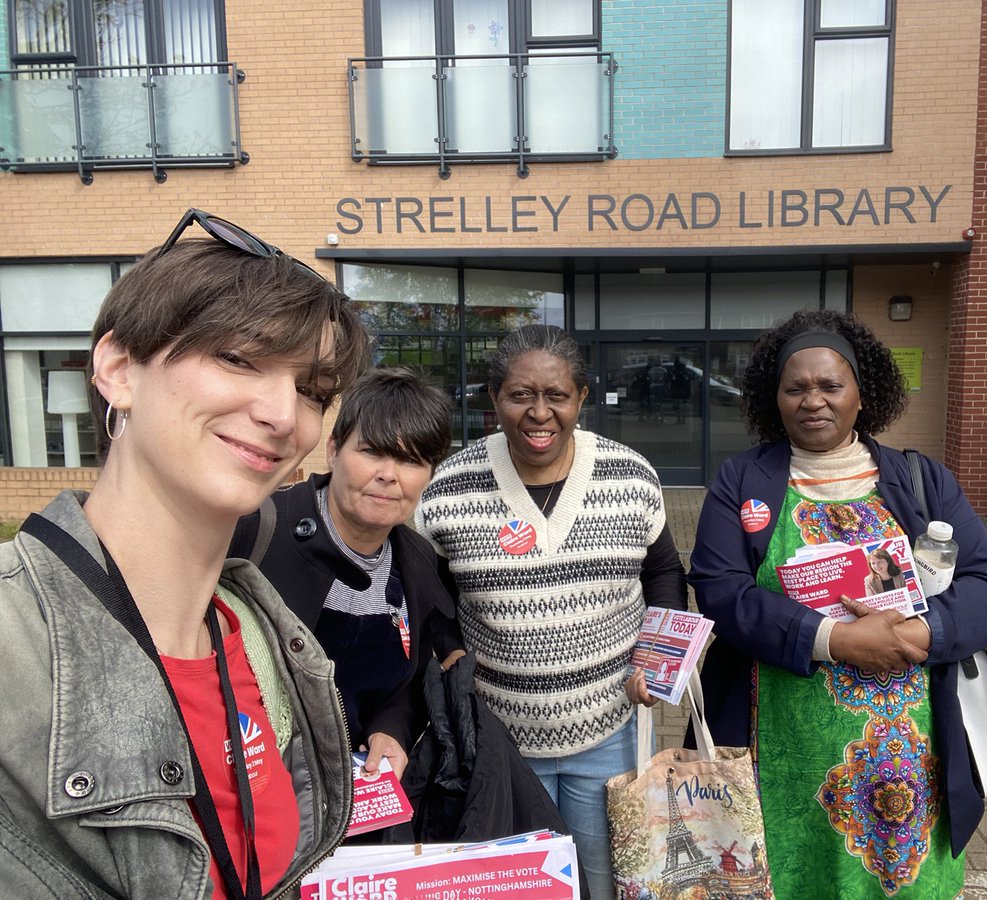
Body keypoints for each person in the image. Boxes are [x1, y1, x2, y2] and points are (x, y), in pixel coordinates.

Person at [0, 209, 371, 898]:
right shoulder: (12, 641)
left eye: (313, 391)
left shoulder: (265, 637)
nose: (285, 415)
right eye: (239, 358)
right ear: (118, 369)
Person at [689, 309, 987, 899]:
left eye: (830, 385)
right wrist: (838, 641)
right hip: (779, 758)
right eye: (796, 388)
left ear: (862, 396)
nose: (813, 400)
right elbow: (721, 592)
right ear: (776, 399)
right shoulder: (741, 480)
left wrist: (919, 636)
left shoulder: (922, 480)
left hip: (907, 763)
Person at [413, 324, 688, 900]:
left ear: (581, 398)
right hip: (498, 741)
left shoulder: (631, 475)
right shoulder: (448, 488)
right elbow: (431, 597)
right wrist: (452, 655)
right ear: (494, 398)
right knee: (524, 887)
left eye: (556, 396)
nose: (539, 413)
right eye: (520, 395)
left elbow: (663, 571)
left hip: (610, 729)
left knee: (605, 880)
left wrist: (661, 657)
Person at [229, 366, 460, 794]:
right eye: (372, 452)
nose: (389, 475)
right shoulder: (251, 532)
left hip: (365, 802)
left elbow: (410, 684)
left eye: (411, 460)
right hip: (256, 800)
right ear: (334, 450)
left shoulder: (419, 563)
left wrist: (393, 729)